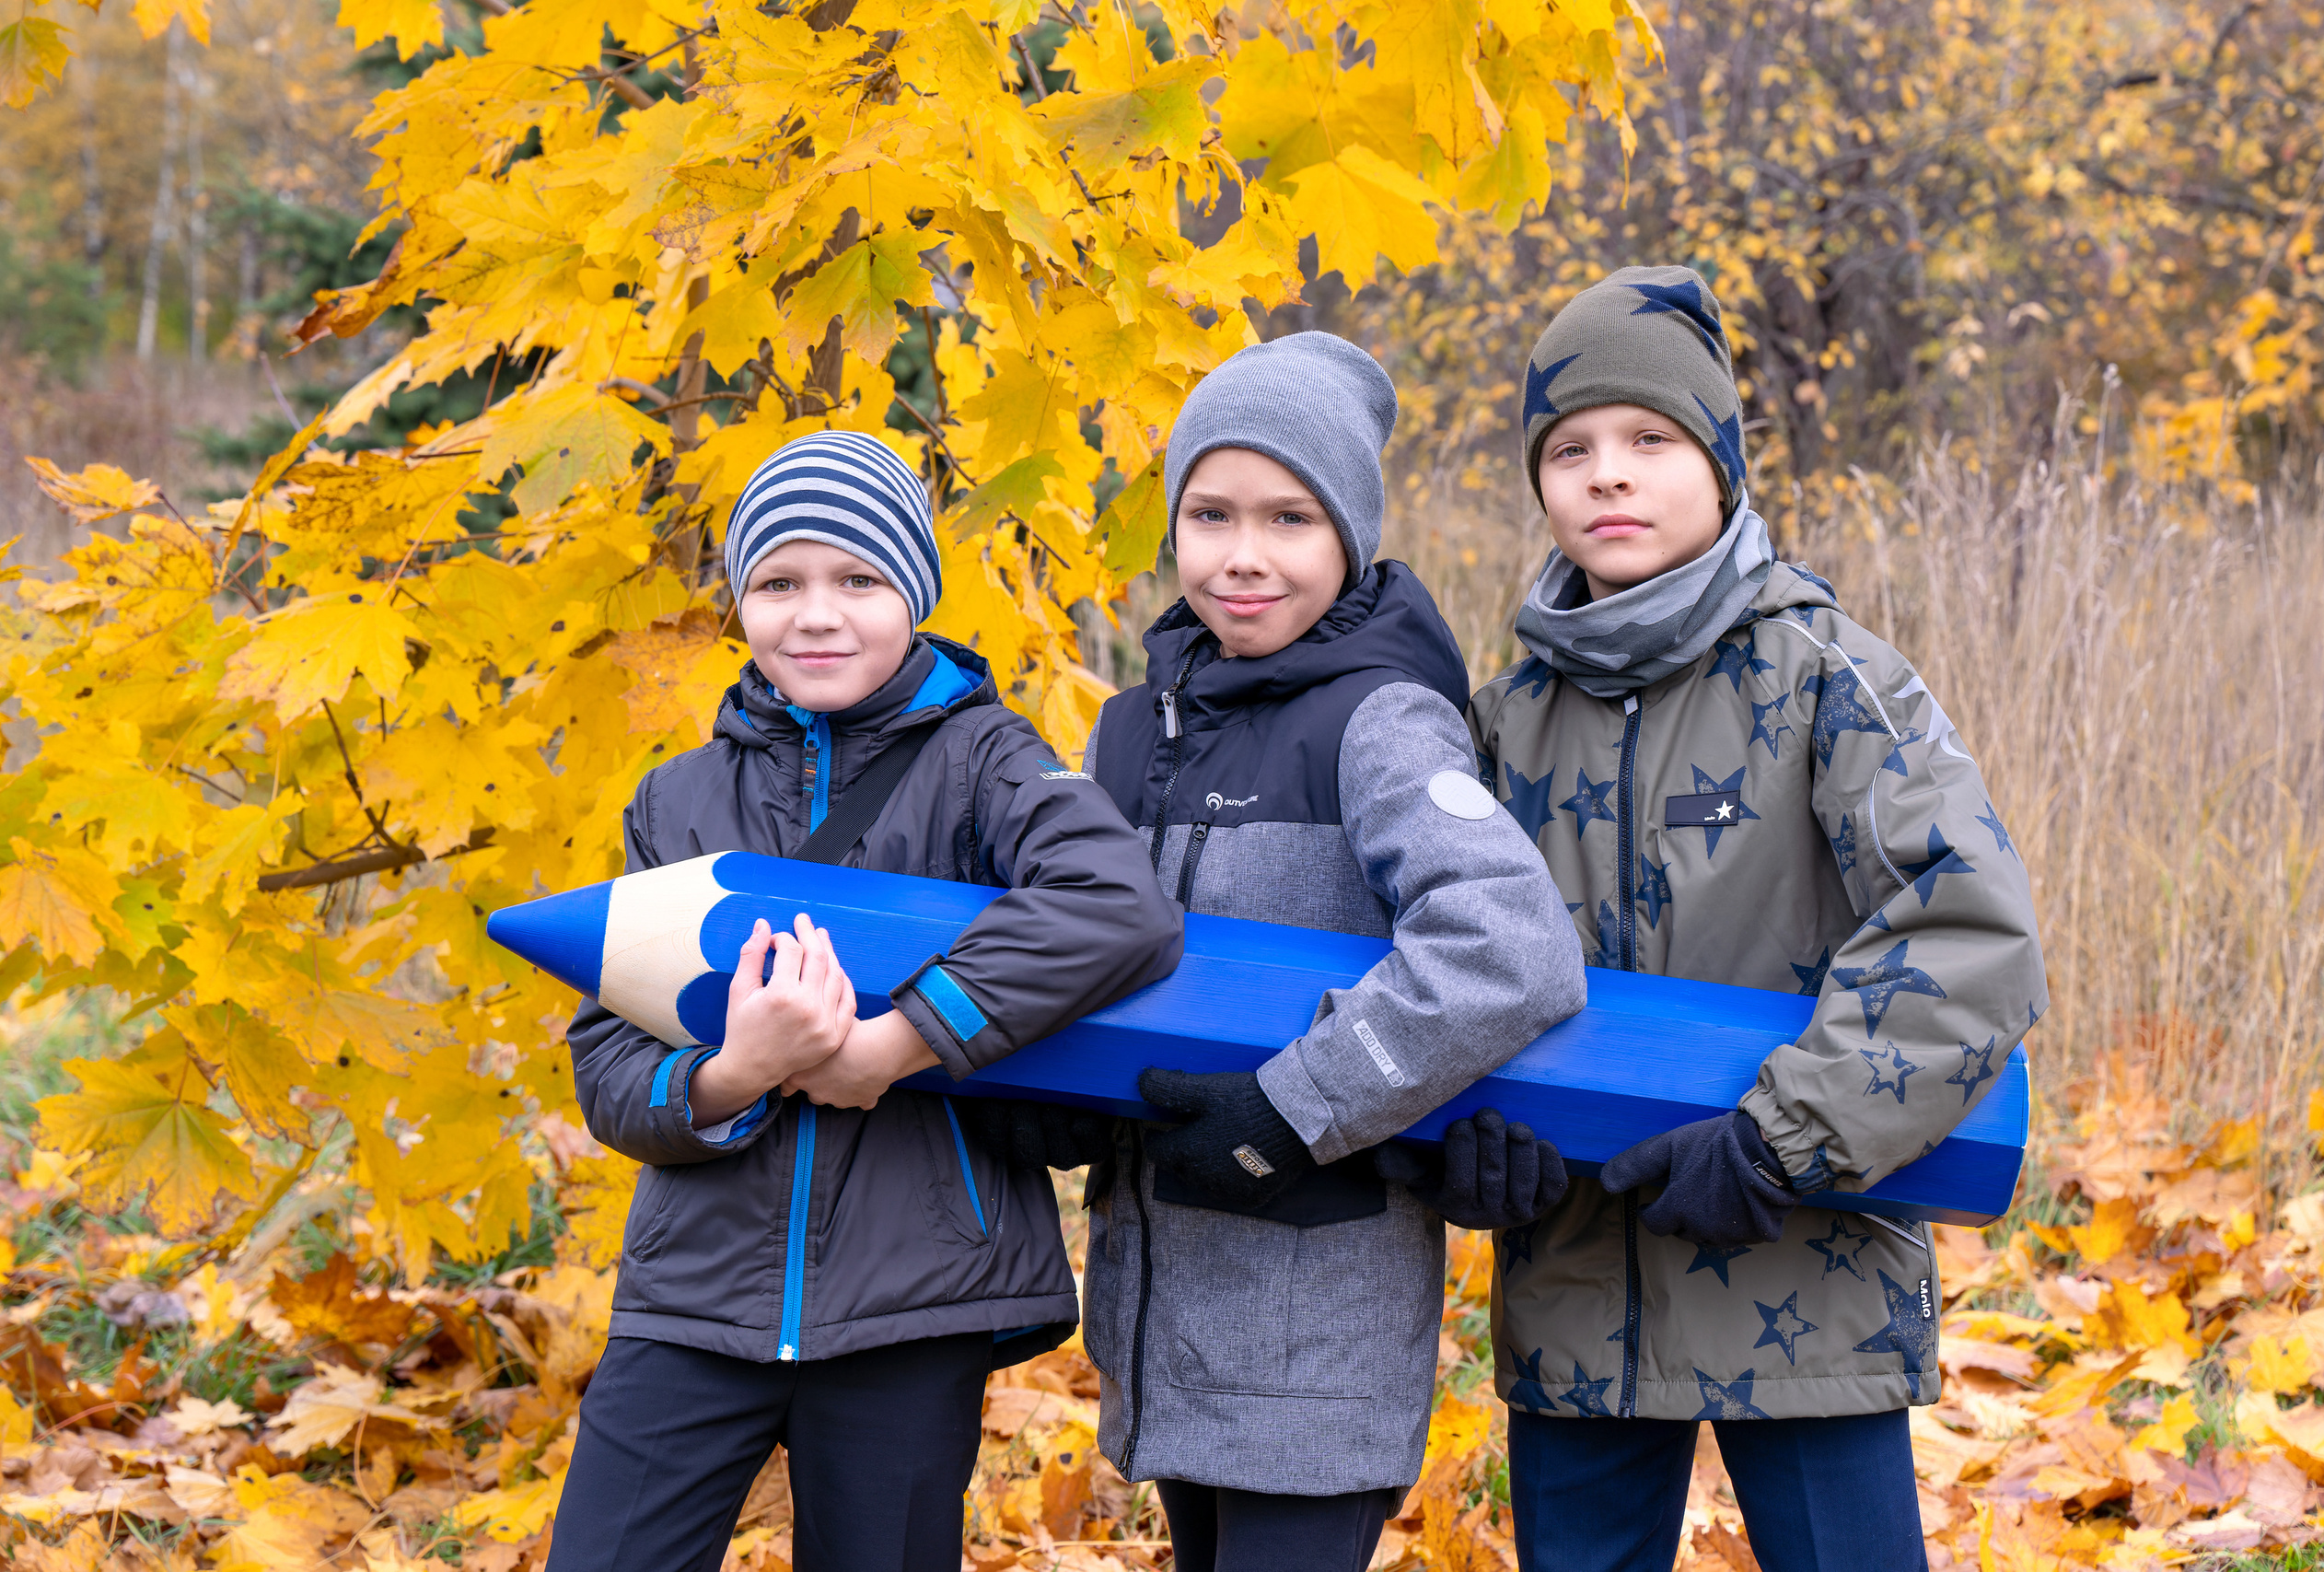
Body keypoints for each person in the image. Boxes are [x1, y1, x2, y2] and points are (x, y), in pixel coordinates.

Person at [1467, 266, 2047, 1572]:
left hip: (1804, 1261)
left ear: (1721, 465)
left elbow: (1967, 933)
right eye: (1570, 449)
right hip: (1579, 1279)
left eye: (1650, 439)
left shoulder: (1826, 675)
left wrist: (1781, 1141)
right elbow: (1454, 965)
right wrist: (1461, 1139)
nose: (1609, 475)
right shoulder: (1504, 721)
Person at [548, 430, 1185, 1572]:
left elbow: (1114, 905)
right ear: (741, 601)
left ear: (915, 594)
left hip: (914, 1300)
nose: (816, 616)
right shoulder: (676, 800)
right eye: (777, 584)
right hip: (691, 1296)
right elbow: (607, 1069)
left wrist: (898, 1041)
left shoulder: (987, 762)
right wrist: (731, 1072)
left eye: (858, 579)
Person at [1079, 332, 1586, 1572]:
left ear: (1350, 537)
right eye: (1210, 514)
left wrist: (1289, 1107)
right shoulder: (1135, 729)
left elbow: (1508, 948)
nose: (1243, 553)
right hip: (1164, 1315)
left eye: (1290, 518)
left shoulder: (1381, 718)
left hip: (1314, 1318)